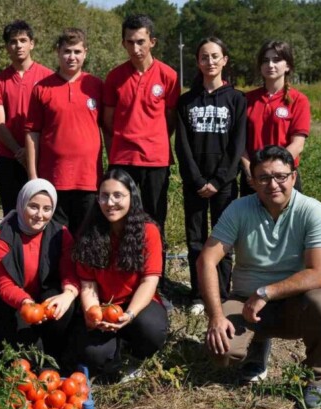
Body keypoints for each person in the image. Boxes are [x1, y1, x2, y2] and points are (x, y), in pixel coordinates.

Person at [198, 146, 321, 409]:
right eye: (263, 178)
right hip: (244, 301)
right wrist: (216, 315)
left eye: (280, 176)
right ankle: (258, 344)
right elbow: (207, 259)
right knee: (222, 352)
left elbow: (320, 274)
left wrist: (266, 292)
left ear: (294, 177)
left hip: (294, 302)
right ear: (252, 181)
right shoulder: (239, 209)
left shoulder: (312, 210)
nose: (272, 184)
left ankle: (316, 377)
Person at [72, 169, 168, 378]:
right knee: (94, 356)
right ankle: (115, 345)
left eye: (118, 195)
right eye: (104, 196)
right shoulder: (88, 233)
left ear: (131, 197)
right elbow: (88, 284)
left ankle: (132, 345)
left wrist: (129, 315)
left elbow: (149, 281)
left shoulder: (148, 230)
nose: (110, 202)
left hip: (138, 302)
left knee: (152, 332)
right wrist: (92, 313)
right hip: (104, 305)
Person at [175, 37, 246, 315]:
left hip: (224, 185)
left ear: (224, 60)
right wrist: (196, 180)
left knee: (223, 241)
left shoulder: (237, 99)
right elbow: (182, 145)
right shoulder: (186, 101)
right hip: (194, 183)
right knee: (195, 240)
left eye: (215, 56)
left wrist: (218, 181)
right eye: (204, 57)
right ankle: (197, 293)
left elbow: (237, 145)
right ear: (198, 62)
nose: (210, 61)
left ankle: (222, 293)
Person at [0, 179, 79, 365]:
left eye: (47, 208)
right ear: (22, 204)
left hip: (44, 295)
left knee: (65, 309)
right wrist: (26, 303)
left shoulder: (61, 233)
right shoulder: (0, 238)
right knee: (31, 359)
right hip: (13, 304)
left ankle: (53, 345)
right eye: (33, 207)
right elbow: (5, 286)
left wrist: (69, 293)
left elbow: (69, 272)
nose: (40, 215)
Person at [102, 14, 178, 239]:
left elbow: (171, 118)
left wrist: (155, 139)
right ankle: (122, 271)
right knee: (118, 217)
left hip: (156, 159)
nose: (135, 48)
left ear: (152, 41)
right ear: (123, 42)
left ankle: (156, 272)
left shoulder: (168, 75)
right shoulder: (115, 77)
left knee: (155, 218)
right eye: (130, 42)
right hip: (123, 158)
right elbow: (108, 120)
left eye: (141, 41)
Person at [25, 28, 103, 236]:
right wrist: (33, 176)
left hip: (89, 179)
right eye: (67, 51)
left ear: (85, 53)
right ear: (58, 52)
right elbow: (33, 134)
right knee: (55, 240)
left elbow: (109, 128)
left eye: (77, 52)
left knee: (87, 238)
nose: (72, 57)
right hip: (53, 178)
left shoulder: (95, 86)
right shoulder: (41, 88)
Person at [0, 20, 54, 216]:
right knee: (11, 212)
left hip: (41, 156)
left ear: (32, 43)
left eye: (23, 40)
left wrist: (31, 151)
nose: (18, 45)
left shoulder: (48, 77)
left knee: (40, 211)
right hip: (8, 157)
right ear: (7, 46)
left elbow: (51, 121)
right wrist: (19, 150)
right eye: (13, 41)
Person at [241, 40, 310, 196]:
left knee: (287, 221)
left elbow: (298, 144)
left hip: (284, 177)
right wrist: (251, 171)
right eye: (265, 60)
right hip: (253, 179)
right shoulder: (246, 99)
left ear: (288, 66)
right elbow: (240, 143)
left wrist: (275, 173)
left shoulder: (298, 100)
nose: (270, 65)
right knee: (252, 221)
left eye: (277, 59)